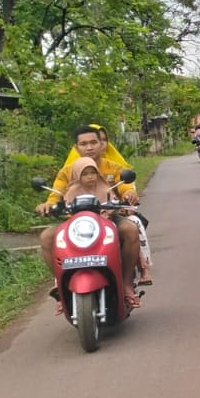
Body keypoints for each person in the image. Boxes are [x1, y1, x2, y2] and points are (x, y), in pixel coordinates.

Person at [38, 126, 148, 302]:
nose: (89, 147)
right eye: (83, 144)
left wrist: (129, 194)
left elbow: (125, 185)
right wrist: (48, 205)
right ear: (76, 147)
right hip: (75, 223)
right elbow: (56, 193)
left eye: (93, 142)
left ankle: (126, 281)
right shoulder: (67, 171)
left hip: (109, 217)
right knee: (46, 237)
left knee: (130, 230)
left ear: (102, 145)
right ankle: (61, 284)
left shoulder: (113, 167)